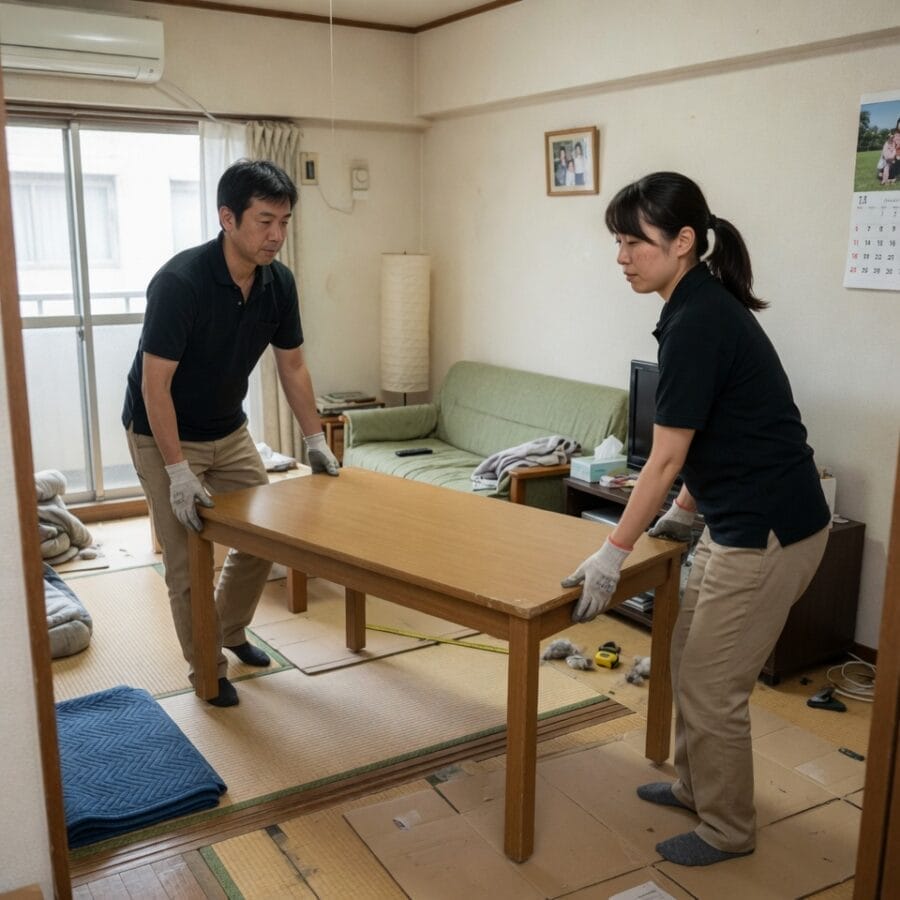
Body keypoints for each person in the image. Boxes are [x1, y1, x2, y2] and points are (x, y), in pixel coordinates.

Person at [562, 171, 831, 866]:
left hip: (769, 530)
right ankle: (694, 786)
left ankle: (728, 828)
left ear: (683, 242)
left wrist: (613, 553)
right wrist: (684, 512)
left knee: (714, 686)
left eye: (634, 242)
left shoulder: (698, 320)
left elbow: (665, 457)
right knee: (685, 657)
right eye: (618, 242)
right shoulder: (695, 306)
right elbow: (718, 433)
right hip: (731, 517)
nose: (622, 257)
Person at [122, 159, 339, 708]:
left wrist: (315, 440)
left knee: (263, 536)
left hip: (228, 427)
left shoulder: (278, 283)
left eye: (284, 222)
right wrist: (177, 471)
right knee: (186, 560)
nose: (277, 235)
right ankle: (207, 669)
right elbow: (155, 385)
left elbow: (293, 366)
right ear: (227, 218)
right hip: (162, 431)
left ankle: (229, 629)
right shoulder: (181, 283)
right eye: (265, 221)